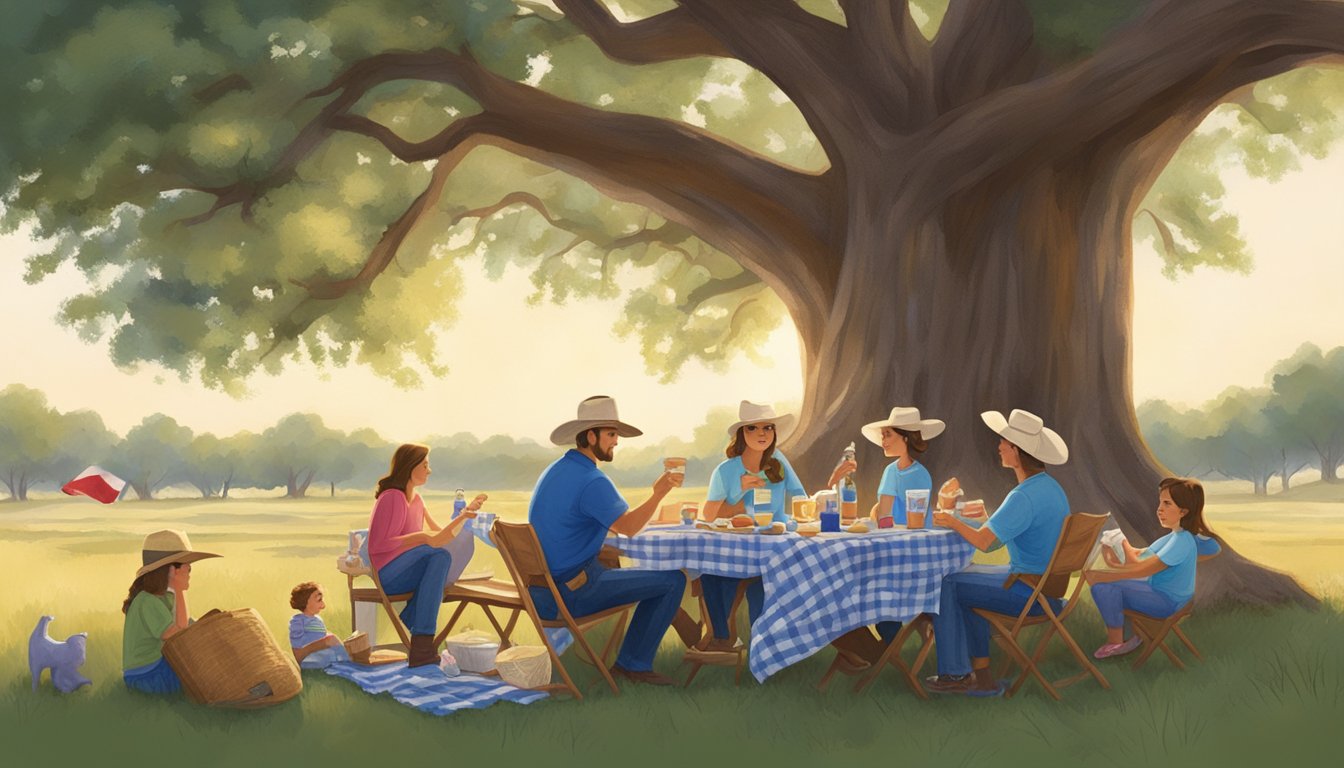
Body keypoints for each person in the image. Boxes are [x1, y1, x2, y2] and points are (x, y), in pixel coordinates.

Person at [527, 395, 686, 686]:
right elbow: (628, 528)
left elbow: (579, 523)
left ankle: (640, 658)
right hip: (570, 594)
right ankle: (632, 665)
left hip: (539, 593)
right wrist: (659, 493)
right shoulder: (592, 480)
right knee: (673, 580)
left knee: (613, 560)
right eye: (611, 434)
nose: (616, 442)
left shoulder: (556, 470)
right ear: (591, 435)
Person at [926, 408, 1072, 696]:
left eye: (1004, 442)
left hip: (1029, 593)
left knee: (948, 583)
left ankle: (955, 675)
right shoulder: (1049, 488)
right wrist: (987, 517)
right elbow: (1014, 526)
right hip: (1045, 587)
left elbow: (986, 543)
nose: (999, 446)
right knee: (963, 578)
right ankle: (982, 678)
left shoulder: (1023, 496)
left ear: (1017, 451)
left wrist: (951, 519)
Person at [698, 400, 853, 653]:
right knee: (714, 572)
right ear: (741, 433)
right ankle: (722, 638)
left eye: (768, 428)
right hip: (741, 546)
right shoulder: (726, 471)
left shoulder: (778, 461)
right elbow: (709, 514)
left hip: (777, 543)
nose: (762, 434)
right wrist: (740, 490)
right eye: (753, 428)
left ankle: (765, 646)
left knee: (766, 582)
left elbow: (802, 498)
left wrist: (834, 482)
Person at [829, 406, 946, 666]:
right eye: (882, 435)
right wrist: (879, 519)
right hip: (892, 547)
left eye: (888, 435)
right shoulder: (891, 471)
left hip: (913, 553)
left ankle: (879, 651)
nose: (883, 440)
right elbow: (883, 515)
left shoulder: (919, 474)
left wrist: (883, 520)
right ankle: (873, 649)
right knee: (846, 580)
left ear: (905, 438)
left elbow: (907, 520)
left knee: (870, 583)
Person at [367, 443, 485, 667]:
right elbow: (378, 545)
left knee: (441, 555)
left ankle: (418, 633)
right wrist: (420, 537)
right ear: (410, 467)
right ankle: (421, 645)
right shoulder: (392, 497)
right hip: (388, 574)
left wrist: (463, 515)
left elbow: (439, 535)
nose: (429, 471)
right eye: (425, 465)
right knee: (438, 556)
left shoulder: (417, 500)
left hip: (409, 569)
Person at [1084, 477, 1216, 658]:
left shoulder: (1182, 541)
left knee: (1103, 588)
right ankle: (1131, 637)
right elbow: (1139, 555)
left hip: (1168, 601)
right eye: (1160, 502)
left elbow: (1141, 569)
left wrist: (1104, 573)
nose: (1160, 509)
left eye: (1167, 504)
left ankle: (1116, 642)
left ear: (1184, 511)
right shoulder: (1173, 537)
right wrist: (1111, 547)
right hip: (1163, 592)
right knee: (1113, 586)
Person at [121, 529, 220, 694]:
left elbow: (186, 625)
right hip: (145, 675)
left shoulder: (164, 597)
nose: (189, 572)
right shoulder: (147, 601)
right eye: (187, 568)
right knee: (204, 671)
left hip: (158, 666)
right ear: (171, 570)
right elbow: (179, 636)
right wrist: (180, 590)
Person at [288, 582, 350, 669]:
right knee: (332, 645)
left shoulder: (318, 619)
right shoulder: (298, 621)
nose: (323, 605)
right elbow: (298, 651)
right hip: (308, 659)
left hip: (320, 654)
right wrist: (326, 641)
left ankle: (346, 662)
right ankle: (349, 664)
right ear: (305, 602)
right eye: (319, 600)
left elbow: (321, 635)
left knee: (334, 649)